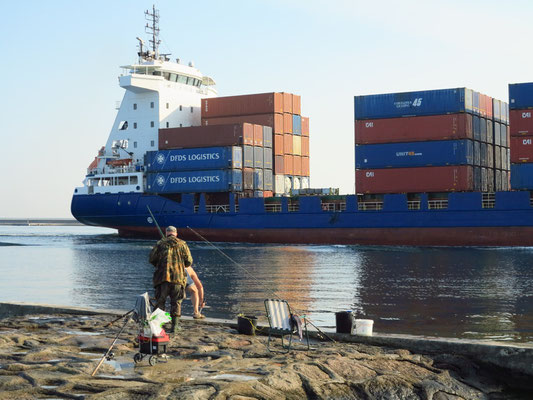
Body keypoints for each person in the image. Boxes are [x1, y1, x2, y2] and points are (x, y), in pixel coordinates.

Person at [149, 226, 193, 333]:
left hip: (162, 278)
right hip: (178, 278)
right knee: (176, 302)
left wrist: (159, 265)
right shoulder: (183, 244)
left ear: (166, 233)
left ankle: (158, 326)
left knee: (160, 302)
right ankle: (175, 326)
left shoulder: (160, 244)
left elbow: (151, 259)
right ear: (176, 233)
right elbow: (189, 261)